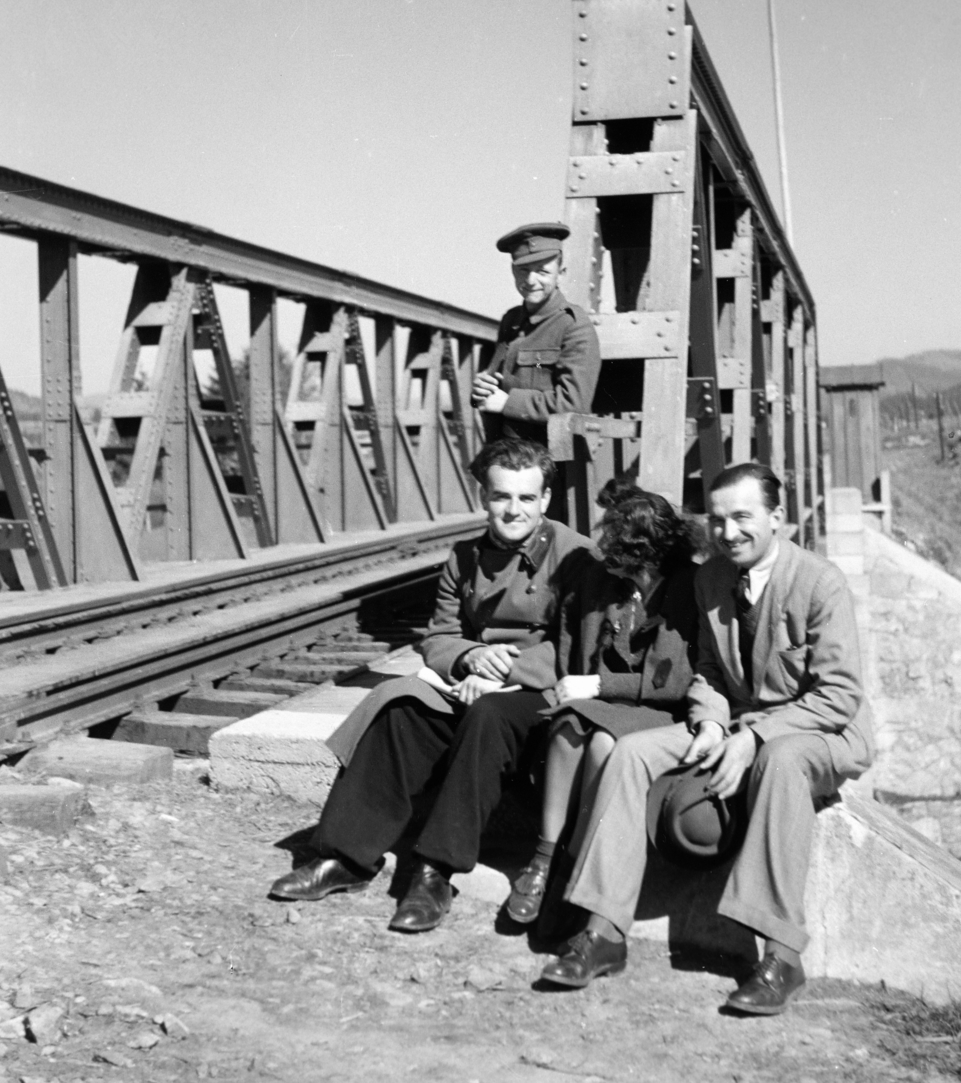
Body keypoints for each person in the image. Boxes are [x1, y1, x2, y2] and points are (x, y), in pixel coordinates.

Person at [538, 462, 874, 1013]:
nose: (729, 533)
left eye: (743, 518)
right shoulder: (711, 580)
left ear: (777, 518)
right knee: (631, 752)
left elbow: (838, 697)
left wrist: (751, 738)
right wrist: (714, 721)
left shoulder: (820, 583)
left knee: (781, 762)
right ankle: (603, 930)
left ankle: (781, 956)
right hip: (737, 721)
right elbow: (711, 672)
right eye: (718, 521)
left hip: (819, 731)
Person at [269, 438, 591, 933]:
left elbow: (574, 648)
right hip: (472, 677)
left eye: (527, 499)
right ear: (484, 496)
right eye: (502, 497)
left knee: (489, 717)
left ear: (545, 500)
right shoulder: (464, 557)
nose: (513, 510)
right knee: (400, 709)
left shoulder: (575, 556)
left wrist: (503, 673)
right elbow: (439, 636)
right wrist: (471, 658)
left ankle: (435, 872)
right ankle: (346, 858)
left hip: (537, 692)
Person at [504, 480, 703, 926]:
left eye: (625, 559)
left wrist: (596, 686)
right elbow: (574, 645)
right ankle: (544, 857)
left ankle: (579, 866)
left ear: (648, 557)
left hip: (656, 707)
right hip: (609, 701)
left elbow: (670, 682)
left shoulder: (685, 588)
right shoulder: (614, 585)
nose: (613, 565)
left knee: (601, 745)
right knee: (571, 728)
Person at [473, 222, 600, 443]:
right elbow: (496, 387)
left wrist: (507, 403)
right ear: (513, 270)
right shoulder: (510, 321)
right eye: (523, 270)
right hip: (505, 453)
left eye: (542, 271)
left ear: (561, 274)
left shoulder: (573, 325)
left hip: (548, 460)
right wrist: (480, 389)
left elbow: (574, 404)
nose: (531, 281)